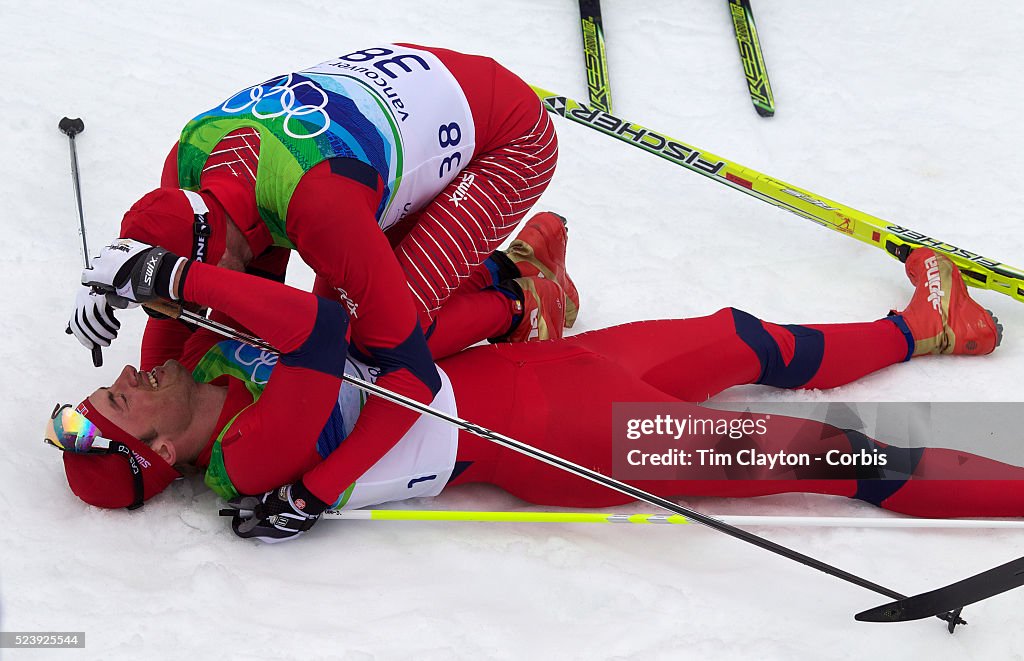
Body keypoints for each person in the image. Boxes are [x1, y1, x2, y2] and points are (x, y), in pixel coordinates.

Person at [49, 238, 1009, 542]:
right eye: (123, 402)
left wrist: (135, 272)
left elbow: (191, 251)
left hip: (536, 371)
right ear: (163, 452)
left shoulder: (201, 372)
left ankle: (929, 326)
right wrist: (175, 281)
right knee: (837, 452)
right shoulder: (245, 455)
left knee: (736, 337)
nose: (131, 372)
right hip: (572, 440)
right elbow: (324, 330)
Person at [64, 44, 576, 504]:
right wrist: (129, 284)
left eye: (190, 288)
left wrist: (315, 495)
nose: (196, 306)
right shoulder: (188, 172)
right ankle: (512, 270)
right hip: (418, 93)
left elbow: (411, 378)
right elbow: (204, 310)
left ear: (215, 260)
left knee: (386, 335)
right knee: (354, 298)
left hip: (510, 142)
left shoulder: (320, 209)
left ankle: (524, 304)